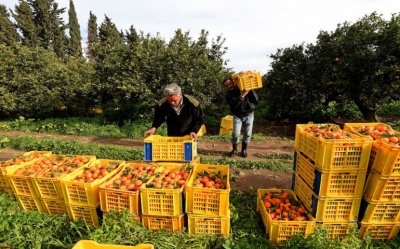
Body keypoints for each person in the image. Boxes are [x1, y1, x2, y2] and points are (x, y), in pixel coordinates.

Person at [223, 78, 258, 157]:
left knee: (248, 133)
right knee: (236, 133)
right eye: (227, 86)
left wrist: (250, 90)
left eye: (230, 84)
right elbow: (234, 106)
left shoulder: (243, 88)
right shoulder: (229, 95)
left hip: (249, 114)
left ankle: (244, 150)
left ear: (234, 83)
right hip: (237, 115)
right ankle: (234, 149)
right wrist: (241, 96)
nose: (229, 86)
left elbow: (256, 99)